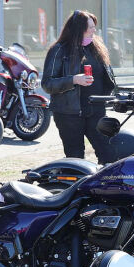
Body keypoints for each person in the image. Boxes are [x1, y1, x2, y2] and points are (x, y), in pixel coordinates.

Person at [42, 10, 116, 163]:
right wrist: (74, 80)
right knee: (76, 158)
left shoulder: (97, 48)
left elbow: (107, 78)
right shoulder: (59, 50)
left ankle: (105, 186)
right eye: (90, 27)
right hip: (69, 114)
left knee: (108, 154)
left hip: (96, 111)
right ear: (78, 29)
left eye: (94, 26)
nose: (94, 30)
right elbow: (47, 83)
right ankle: (75, 185)